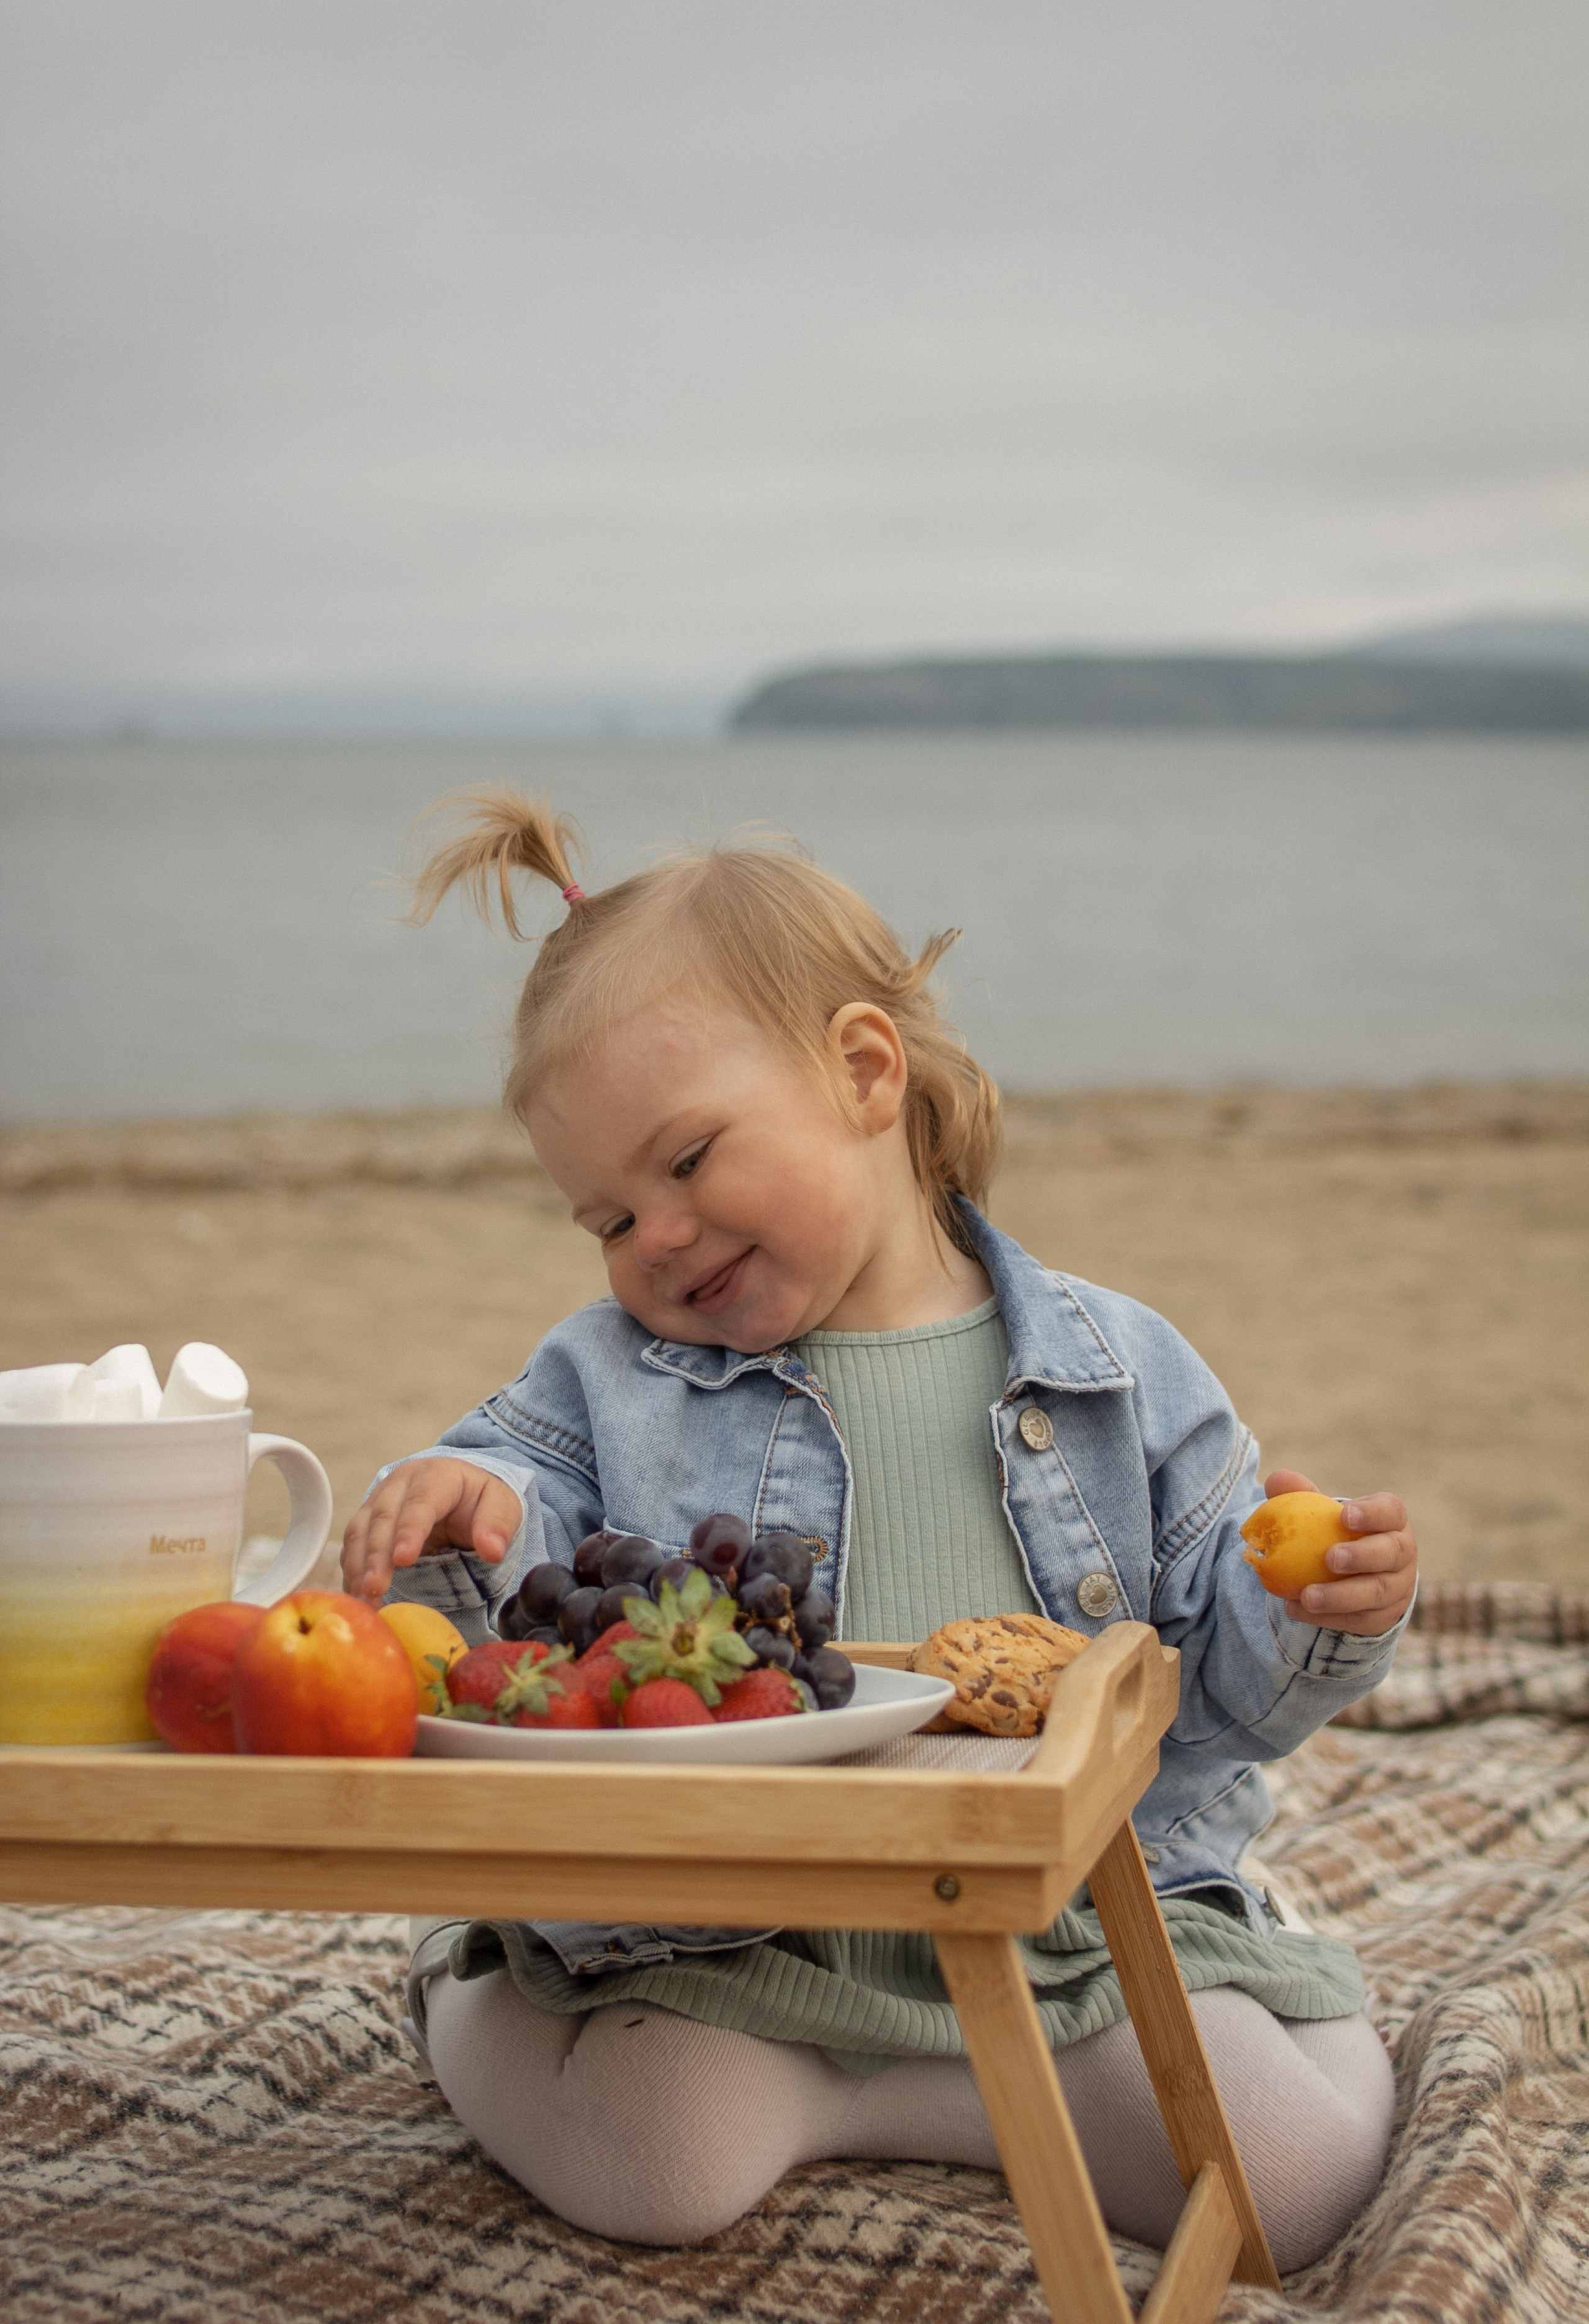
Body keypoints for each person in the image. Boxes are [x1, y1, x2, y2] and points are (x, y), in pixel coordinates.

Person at [346, 788, 1416, 2269]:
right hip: (738, 1934)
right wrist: (467, 1503)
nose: (650, 1236)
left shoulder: (1119, 1370)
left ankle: (945, 2080)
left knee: (1292, 2186)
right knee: (660, 2170)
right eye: (601, 1217)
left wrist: (1318, 1613)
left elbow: (1217, 1696)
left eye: (686, 1160)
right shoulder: (607, 1377)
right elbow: (526, 1534)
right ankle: (472, 1982)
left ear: (862, 1072)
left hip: (1072, 1921)